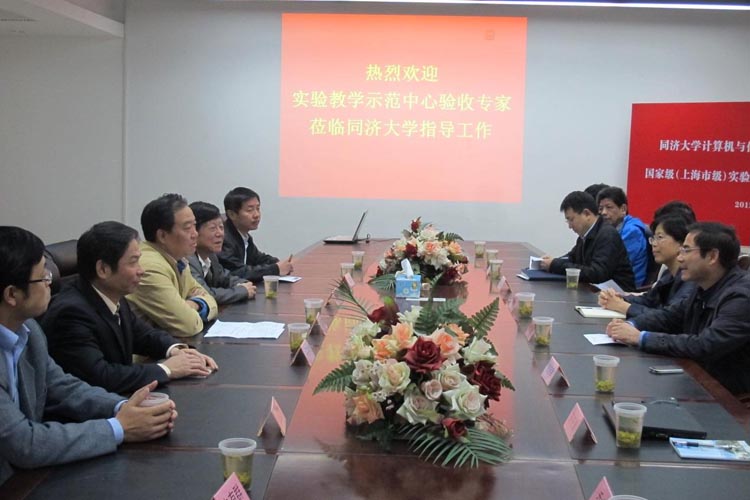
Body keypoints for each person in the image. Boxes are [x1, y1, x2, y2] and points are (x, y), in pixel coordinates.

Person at [0, 226, 177, 486]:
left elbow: (62, 386)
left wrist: (123, 407)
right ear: (12, 294)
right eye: (42, 277)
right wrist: (119, 428)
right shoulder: (62, 313)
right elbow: (25, 444)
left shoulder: (28, 330)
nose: (51, 282)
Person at [42, 221, 218, 395]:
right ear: (103, 269)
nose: (141, 270)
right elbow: (101, 377)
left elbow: (144, 335)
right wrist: (166, 369)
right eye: (133, 262)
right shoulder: (71, 313)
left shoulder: (112, 294)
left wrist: (179, 350)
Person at [607, 222, 750, 396]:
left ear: (712, 256)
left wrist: (641, 337)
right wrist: (630, 325)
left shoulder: (741, 297)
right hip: (696, 376)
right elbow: (670, 317)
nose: (680, 258)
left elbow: (705, 345)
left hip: (725, 394)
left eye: (686, 250)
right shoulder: (704, 285)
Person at [126, 194, 218, 337]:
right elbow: (187, 325)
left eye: (195, 226)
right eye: (188, 228)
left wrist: (195, 304)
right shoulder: (149, 268)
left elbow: (211, 301)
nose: (195, 234)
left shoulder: (178, 259)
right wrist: (192, 305)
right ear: (162, 236)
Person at [598, 215, 696, 318]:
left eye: (660, 237)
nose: (654, 244)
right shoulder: (668, 274)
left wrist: (623, 306)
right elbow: (649, 299)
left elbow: (668, 318)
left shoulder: (689, 278)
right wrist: (618, 298)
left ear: (681, 244)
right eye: (653, 238)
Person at [540, 191, 636, 291]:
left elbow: (597, 274)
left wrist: (555, 265)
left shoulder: (607, 234)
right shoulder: (586, 234)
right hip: (596, 291)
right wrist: (553, 261)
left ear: (586, 214)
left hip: (619, 294)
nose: (570, 226)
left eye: (571, 220)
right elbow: (572, 257)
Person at [218, 187, 293, 282]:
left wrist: (279, 263)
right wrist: (276, 269)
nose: (256, 215)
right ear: (232, 214)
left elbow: (258, 258)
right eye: (250, 210)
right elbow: (237, 272)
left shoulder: (244, 236)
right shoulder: (223, 239)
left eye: (258, 208)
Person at [188, 202, 256, 304]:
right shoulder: (188, 261)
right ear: (194, 232)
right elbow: (206, 295)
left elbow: (225, 278)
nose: (220, 233)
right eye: (213, 228)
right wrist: (242, 291)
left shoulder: (211, 256)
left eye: (221, 227)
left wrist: (244, 284)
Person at [596, 186, 652, 287]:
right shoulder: (607, 229)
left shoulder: (632, 232)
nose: (603, 212)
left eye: (609, 207)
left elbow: (612, 264)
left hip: (627, 287)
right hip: (611, 282)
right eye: (601, 209)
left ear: (623, 209)